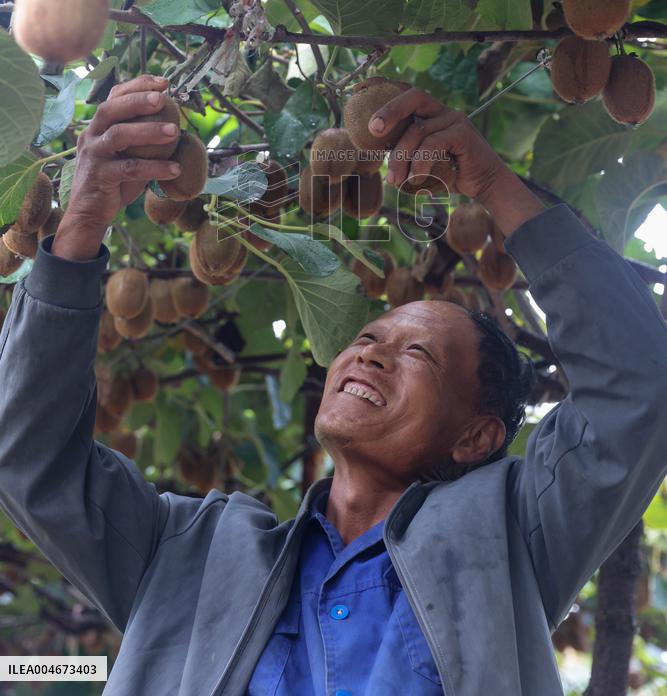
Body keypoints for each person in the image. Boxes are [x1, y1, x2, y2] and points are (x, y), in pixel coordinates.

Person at [0, 74, 665, 696]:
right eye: (367, 340)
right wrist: (80, 227)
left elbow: (638, 384)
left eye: (418, 356)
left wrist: (491, 182)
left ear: (476, 436)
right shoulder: (189, 553)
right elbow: (31, 457)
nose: (370, 358)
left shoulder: (512, 533)